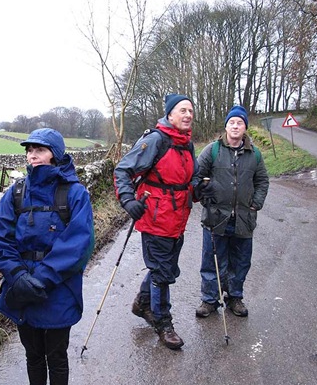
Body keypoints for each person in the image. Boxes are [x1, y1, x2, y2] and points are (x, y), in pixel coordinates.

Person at [0, 128, 95, 385]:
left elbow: (78, 243)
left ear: (55, 155)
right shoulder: (17, 192)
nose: (32, 156)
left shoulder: (75, 194)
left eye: (40, 150)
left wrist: (42, 278)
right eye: (29, 150)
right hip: (21, 283)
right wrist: (17, 274)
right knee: (32, 349)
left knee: (56, 352)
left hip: (59, 287)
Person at [113, 93, 200, 350]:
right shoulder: (156, 140)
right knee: (162, 273)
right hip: (155, 218)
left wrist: (199, 189)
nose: (188, 115)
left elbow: (191, 178)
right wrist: (128, 200)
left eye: (190, 111)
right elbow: (123, 170)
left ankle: (142, 303)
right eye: (182, 110)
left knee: (163, 268)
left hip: (178, 219)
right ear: (170, 114)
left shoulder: (186, 145)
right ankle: (163, 324)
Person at [193, 105, 269, 318]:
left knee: (241, 261)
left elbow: (262, 181)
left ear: (245, 127)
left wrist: (256, 203)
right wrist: (204, 193)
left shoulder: (255, 154)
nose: (235, 126)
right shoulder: (212, 150)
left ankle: (235, 297)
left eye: (240, 123)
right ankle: (209, 300)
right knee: (212, 261)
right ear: (226, 126)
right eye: (232, 122)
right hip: (215, 217)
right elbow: (195, 176)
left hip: (244, 219)